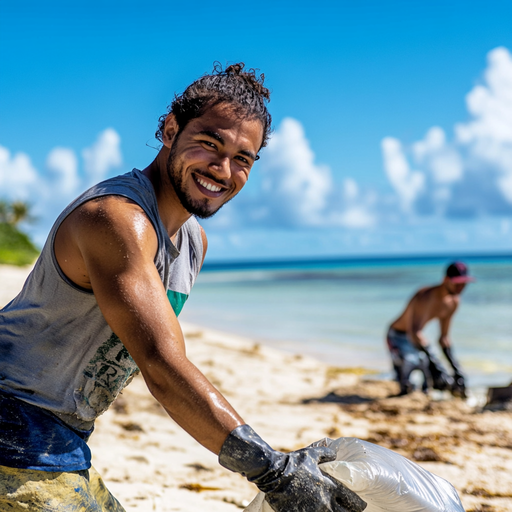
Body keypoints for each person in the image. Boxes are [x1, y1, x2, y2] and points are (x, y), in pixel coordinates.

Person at [0, 64, 367, 512]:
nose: (222, 168)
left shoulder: (194, 242)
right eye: (209, 144)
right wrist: (274, 470)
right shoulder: (118, 219)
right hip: (13, 422)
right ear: (170, 130)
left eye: (242, 159)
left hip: (62, 439)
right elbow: (162, 365)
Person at [386, 262, 474, 397]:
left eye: (464, 283)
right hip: (398, 336)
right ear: (445, 280)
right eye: (457, 283)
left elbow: (444, 338)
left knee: (432, 384)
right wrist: (436, 363)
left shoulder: (453, 302)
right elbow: (414, 332)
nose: (461, 287)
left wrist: (456, 368)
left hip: (417, 339)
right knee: (408, 381)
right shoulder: (425, 296)